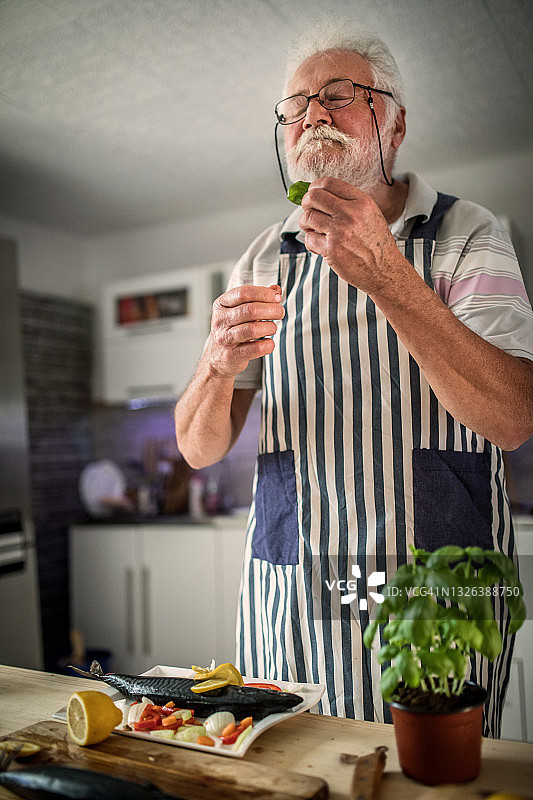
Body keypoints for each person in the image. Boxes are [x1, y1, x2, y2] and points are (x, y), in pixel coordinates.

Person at [174, 22, 533, 737]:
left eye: (338, 96)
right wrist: (214, 366)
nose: (312, 114)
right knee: (294, 770)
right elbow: (198, 448)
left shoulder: (466, 233)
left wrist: (387, 276)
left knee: (427, 781)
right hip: (292, 584)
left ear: (393, 123)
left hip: (430, 585)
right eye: (295, 106)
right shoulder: (262, 257)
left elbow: (511, 418)